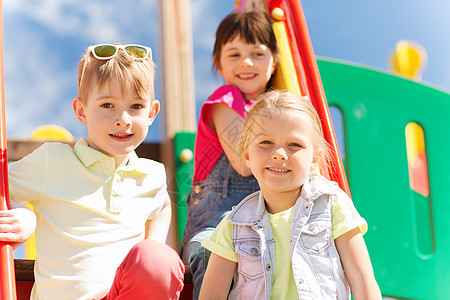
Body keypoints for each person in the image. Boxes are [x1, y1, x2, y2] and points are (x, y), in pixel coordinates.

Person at [0, 43, 184, 300]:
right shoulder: (54, 161)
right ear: (81, 111)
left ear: (152, 112)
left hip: (119, 294)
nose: (124, 119)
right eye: (108, 105)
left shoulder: (151, 175)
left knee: (157, 258)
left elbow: (162, 206)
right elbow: (3, 186)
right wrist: (22, 215)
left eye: (136, 106)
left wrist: (152, 242)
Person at [199, 90, 382, 299]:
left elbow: (362, 279)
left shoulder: (331, 205)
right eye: (266, 142)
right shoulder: (235, 225)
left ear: (315, 157)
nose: (279, 153)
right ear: (247, 155)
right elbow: (212, 294)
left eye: (294, 144)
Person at [179, 10, 279, 299]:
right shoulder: (225, 100)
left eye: (257, 54)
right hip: (215, 224)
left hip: (263, 228)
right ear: (218, 64)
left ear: (274, 60)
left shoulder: (276, 107)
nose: (246, 62)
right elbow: (243, 162)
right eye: (234, 55)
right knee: (213, 256)